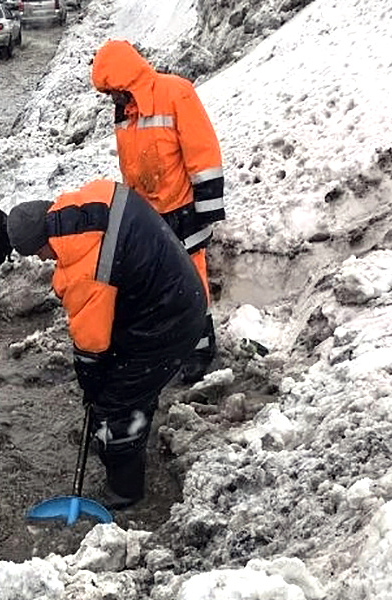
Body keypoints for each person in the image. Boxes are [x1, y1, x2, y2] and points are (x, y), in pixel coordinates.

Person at [6, 179, 207, 509]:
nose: (44, 261)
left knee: (118, 402)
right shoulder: (92, 200)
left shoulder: (84, 270)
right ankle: (129, 429)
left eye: (40, 253)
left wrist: (93, 386)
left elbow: (91, 346)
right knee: (126, 380)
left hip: (168, 320)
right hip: (168, 292)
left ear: (44, 241)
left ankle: (124, 491)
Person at [91, 39, 225, 383]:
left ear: (128, 80)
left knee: (190, 284)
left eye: (114, 90)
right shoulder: (125, 112)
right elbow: (131, 166)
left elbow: (202, 151)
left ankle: (199, 347)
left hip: (183, 209)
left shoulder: (176, 93)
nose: (112, 98)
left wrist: (206, 207)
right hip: (149, 215)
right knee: (156, 286)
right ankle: (168, 345)